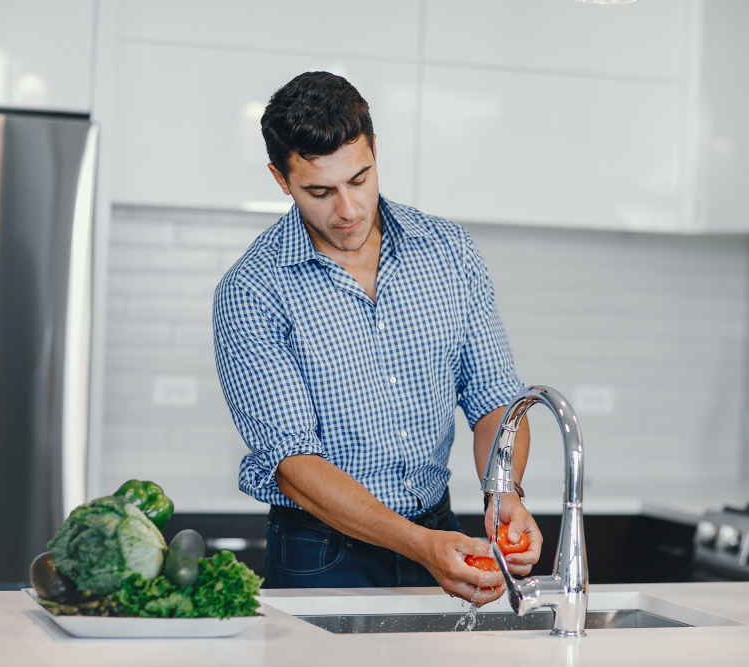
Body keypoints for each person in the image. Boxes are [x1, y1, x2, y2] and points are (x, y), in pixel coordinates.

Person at [213, 71, 541, 605]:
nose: (347, 211)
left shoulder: (448, 252)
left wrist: (504, 489)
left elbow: (495, 400)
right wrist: (418, 545)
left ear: (374, 154)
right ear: (281, 179)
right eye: (319, 191)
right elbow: (294, 465)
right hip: (321, 553)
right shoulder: (252, 290)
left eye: (360, 179)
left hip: (441, 530)